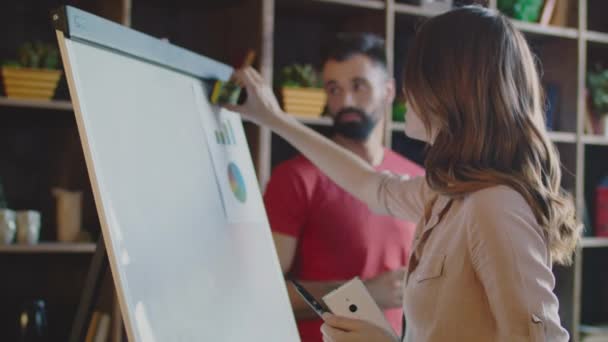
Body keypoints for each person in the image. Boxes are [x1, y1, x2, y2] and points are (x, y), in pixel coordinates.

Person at [226, 5, 582, 342]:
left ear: (447, 88)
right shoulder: (447, 192)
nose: (405, 92)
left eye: (415, 76)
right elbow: (373, 186)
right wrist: (274, 119)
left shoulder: (496, 205)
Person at [264, 33, 424, 342]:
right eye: (333, 89)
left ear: (389, 91)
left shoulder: (416, 181)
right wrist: (362, 292)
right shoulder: (295, 178)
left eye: (358, 86)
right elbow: (263, 291)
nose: (345, 101)